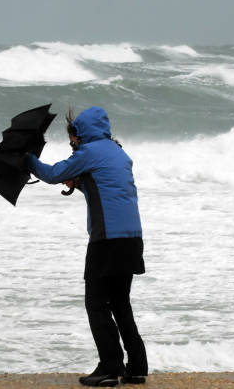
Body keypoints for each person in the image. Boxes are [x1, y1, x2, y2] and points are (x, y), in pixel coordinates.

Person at [24, 106, 148, 387]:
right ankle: (137, 366)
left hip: (107, 239)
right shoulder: (117, 152)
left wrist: (27, 160)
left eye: (72, 139)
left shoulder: (89, 153)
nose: (72, 144)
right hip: (131, 238)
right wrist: (80, 183)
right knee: (119, 302)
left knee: (96, 303)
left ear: (80, 133)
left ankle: (110, 366)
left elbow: (53, 173)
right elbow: (107, 187)